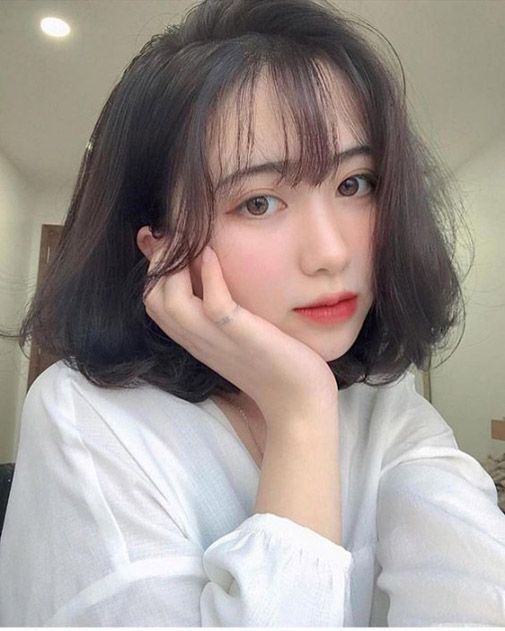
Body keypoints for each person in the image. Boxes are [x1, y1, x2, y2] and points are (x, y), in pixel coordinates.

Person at [0, 0, 504, 625]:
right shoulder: (84, 414)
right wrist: (301, 414)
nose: (331, 253)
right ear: (159, 245)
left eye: (354, 183)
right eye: (259, 202)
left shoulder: (386, 404)